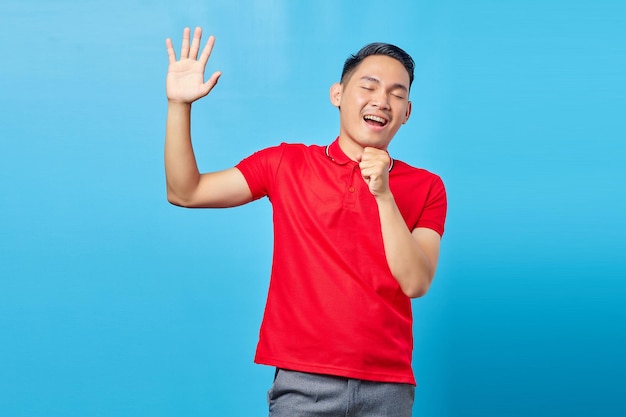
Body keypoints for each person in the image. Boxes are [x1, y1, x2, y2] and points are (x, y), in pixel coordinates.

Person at [164, 27, 447, 417]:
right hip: (302, 385)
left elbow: (415, 282)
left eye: (397, 95)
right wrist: (179, 106)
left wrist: (383, 193)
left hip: (388, 388)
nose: (382, 101)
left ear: (407, 113)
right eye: (369, 86)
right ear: (338, 95)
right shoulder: (286, 164)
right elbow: (186, 191)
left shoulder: (427, 186)